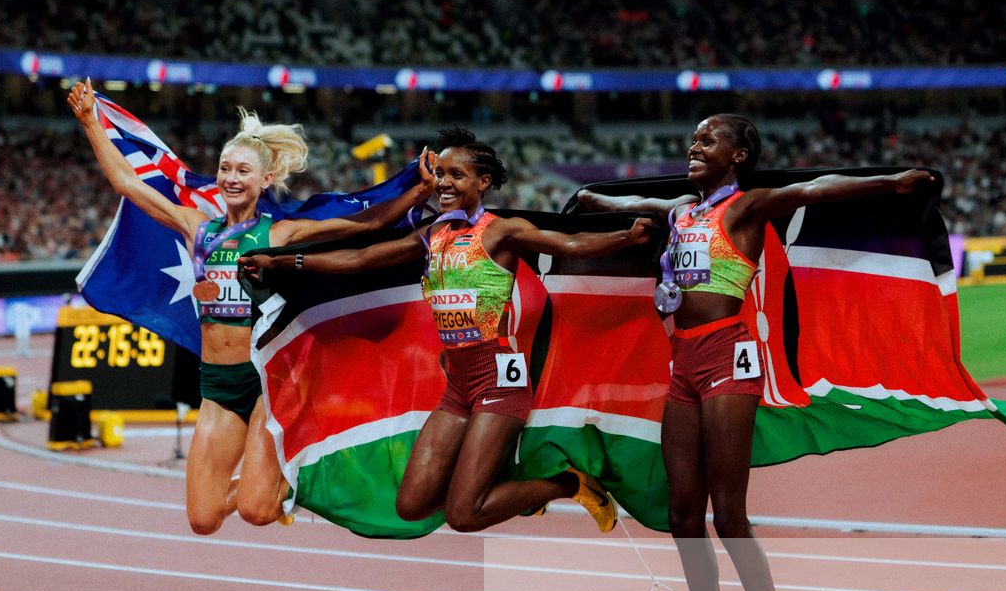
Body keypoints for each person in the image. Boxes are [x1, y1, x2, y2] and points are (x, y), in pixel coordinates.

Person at [575, 114, 935, 591]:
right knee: (685, 518)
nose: (693, 145)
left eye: (708, 139)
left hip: (728, 357)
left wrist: (894, 183)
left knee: (729, 514)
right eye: (691, 137)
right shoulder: (683, 211)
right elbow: (632, 199)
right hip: (683, 361)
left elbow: (814, 189)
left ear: (739, 154)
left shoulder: (746, 207)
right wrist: (591, 199)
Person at [242, 127, 653, 534]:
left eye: (456, 175)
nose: (444, 183)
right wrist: (285, 263)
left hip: (499, 382)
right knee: (412, 504)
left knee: (464, 515)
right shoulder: (436, 234)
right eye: (440, 173)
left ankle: (568, 484)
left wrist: (626, 236)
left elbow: (571, 244)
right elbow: (362, 258)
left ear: (483, 182)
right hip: (457, 384)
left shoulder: (501, 231)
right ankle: (506, 480)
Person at [69, 78, 432, 534]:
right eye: (225, 169)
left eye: (242, 170)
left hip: (267, 379)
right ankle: (272, 476)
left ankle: (287, 478)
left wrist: (418, 192)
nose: (231, 178)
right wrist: (90, 123)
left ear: (266, 180)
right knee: (202, 519)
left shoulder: (279, 235)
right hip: (218, 384)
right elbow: (127, 182)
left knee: (257, 511)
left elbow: (364, 224)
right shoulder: (196, 227)